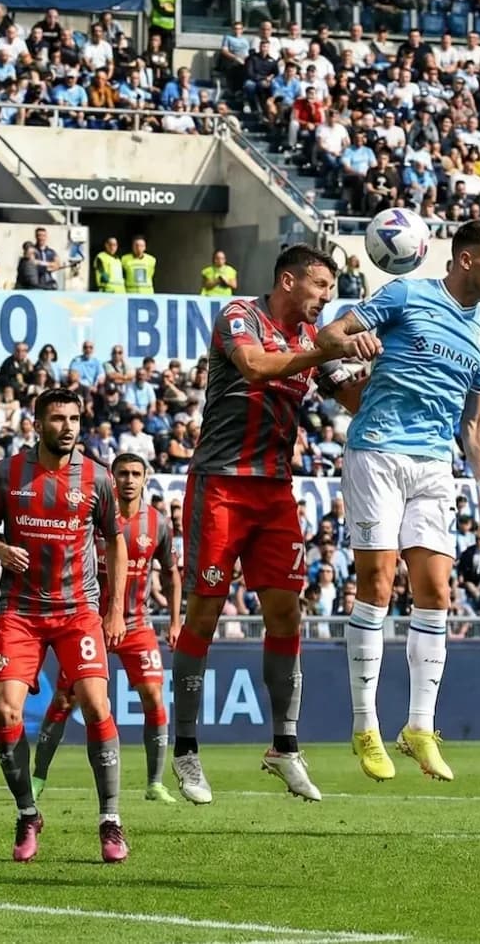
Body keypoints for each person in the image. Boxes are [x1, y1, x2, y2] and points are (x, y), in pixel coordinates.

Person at [169, 244, 375, 803]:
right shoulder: (239, 314)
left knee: (287, 612)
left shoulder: (317, 339)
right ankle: (185, 748)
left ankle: (284, 747)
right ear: (289, 281)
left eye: (332, 290)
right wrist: (323, 348)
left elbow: (354, 399)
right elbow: (256, 366)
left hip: (275, 490)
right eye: (320, 287)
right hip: (220, 484)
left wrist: (383, 362)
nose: (327, 298)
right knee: (206, 611)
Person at [317, 219, 480, 782]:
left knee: (436, 592)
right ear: (467, 259)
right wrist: (352, 341)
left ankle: (419, 728)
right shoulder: (408, 295)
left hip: (434, 465)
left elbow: (475, 422)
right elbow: (329, 335)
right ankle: (364, 727)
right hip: (377, 451)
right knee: (376, 584)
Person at [0, 388, 129, 863]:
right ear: (37, 423)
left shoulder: (98, 478)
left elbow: (115, 542)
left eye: (75, 419)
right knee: (5, 713)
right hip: (21, 611)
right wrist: (0, 550)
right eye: (58, 418)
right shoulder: (7, 473)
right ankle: (27, 812)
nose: (68, 427)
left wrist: (115, 607)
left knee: (96, 703)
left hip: (77, 609)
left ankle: (110, 820)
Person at [33, 453, 180, 805]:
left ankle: (155, 783)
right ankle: (38, 775)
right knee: (65, 699)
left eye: (136, 474)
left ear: (146, 479)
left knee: (154, 697)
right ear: (112, 479)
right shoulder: (96, 519)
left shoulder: (157, 524)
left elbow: (171, 571)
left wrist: (176, 620)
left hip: (136, 625)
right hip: (89, 626)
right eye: (123, 474)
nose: (129, 480)